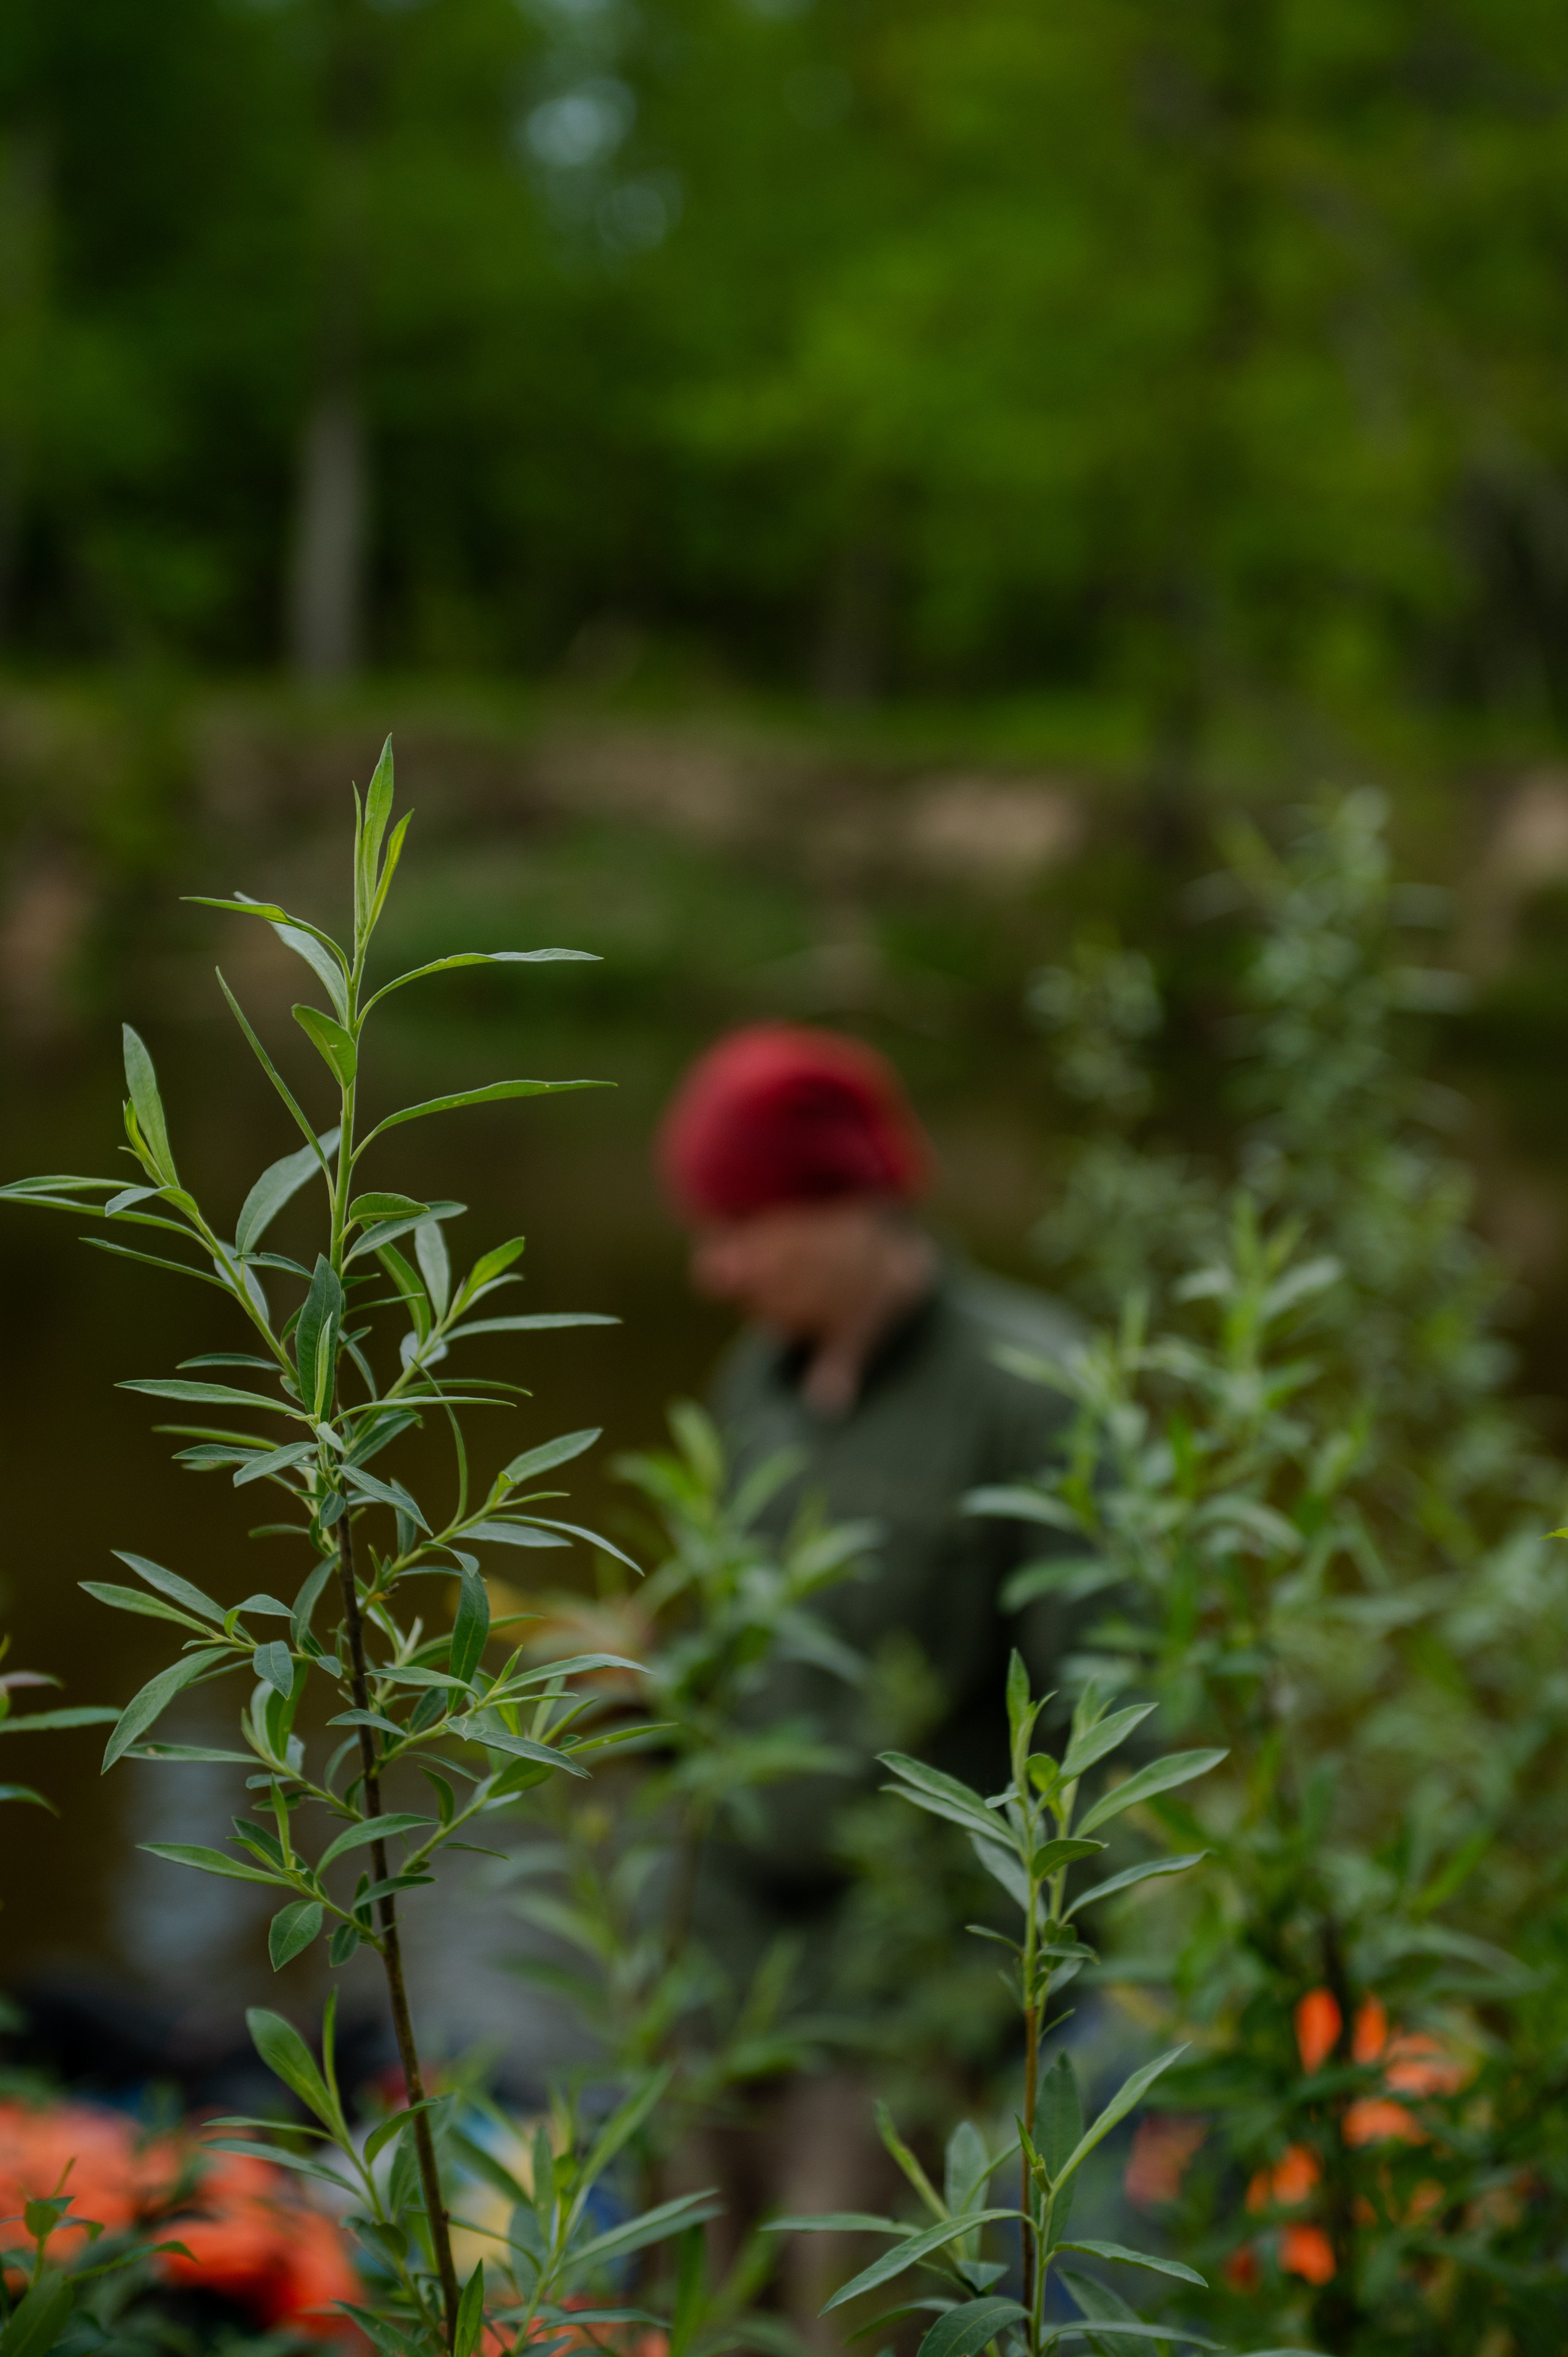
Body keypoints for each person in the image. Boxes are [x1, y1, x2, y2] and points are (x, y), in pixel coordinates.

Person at [656, 1022, 1082, 2332]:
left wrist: (1018, 1998)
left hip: (898, 2001)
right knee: (705, 2314)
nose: (711, 1268)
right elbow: (722, 1644)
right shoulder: (756, 1381)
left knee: (858, 2323)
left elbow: (1107, 1711)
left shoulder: (1034, 1391)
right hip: (720, 1973)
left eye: (742, 1224)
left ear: (848, 1202)